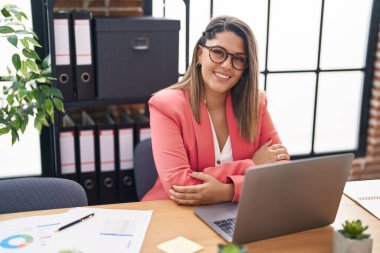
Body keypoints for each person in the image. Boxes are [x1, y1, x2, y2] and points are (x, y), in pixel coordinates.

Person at [142, 15, 290, 205]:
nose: (227, 65)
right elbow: (181, 186)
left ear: (245, 68)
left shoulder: (255, 104)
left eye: (238, 59)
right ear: (199, 54)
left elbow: (281, 171)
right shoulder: (166, 106)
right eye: (218, 52)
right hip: (174, 213)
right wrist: (252, 165)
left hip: (237, 212)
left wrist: (227, 191)